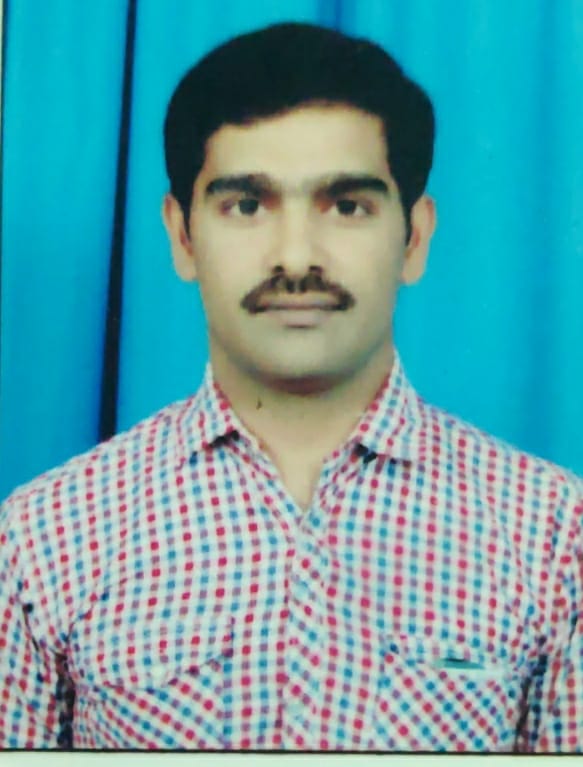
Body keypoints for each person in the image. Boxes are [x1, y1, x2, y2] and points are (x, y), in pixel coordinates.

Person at [0, 21, 582, 752]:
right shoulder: (43, 537)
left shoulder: (555, 537)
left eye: (347, 205)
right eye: (247, 205)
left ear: (414, 237)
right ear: (181, 236)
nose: (297, 258)